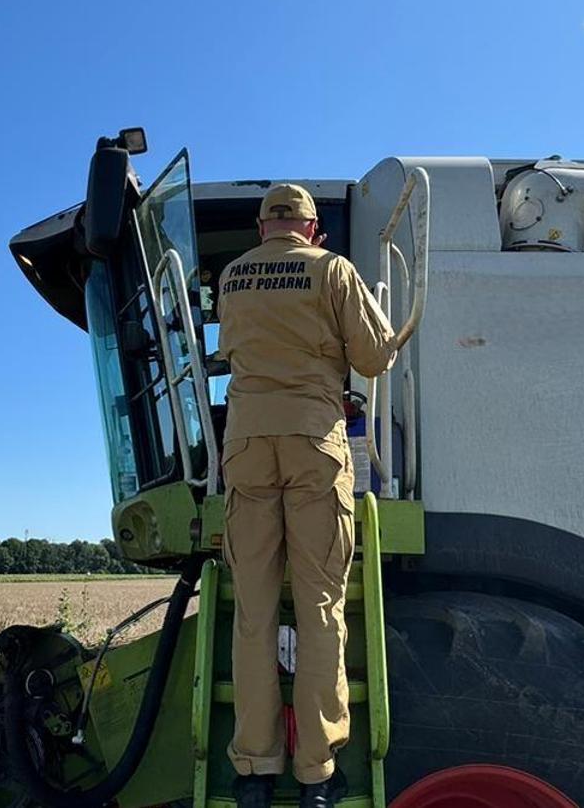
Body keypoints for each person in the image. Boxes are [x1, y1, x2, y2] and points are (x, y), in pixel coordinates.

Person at [216, 184, 396, 808]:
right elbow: (374, 360)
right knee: (320, 607)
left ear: (261, 227)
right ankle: (317, 774)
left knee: (255, 612)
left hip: (245, 447)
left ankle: (254, 772)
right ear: (313, 229)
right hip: (314, 444)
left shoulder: (233, 277)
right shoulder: (332, 270)